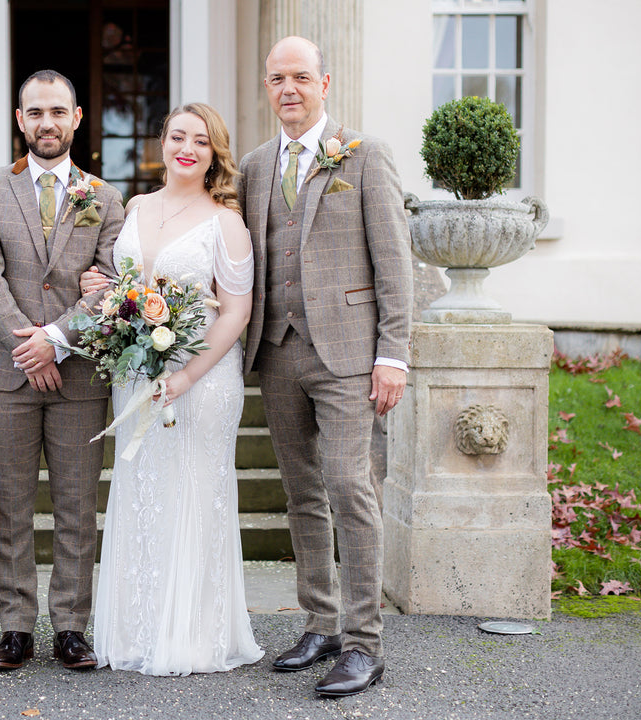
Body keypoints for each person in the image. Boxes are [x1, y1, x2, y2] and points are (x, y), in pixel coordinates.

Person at [238, 37, 413, 696]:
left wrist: (392, 354)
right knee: (302, 494)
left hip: (348, 354)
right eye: (277, 77)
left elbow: (393, 264)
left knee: (350, 486)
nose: (289, 88)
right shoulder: (256, 166)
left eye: (301, 77)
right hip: (277, 351)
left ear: (325, 83)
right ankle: (321, 622)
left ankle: (366, 643)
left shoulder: (364, 157)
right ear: (268, 85)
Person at [81, 102, 264, 676]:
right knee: (140, 490)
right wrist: (104, 288)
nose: (187, 147)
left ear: (215, 155)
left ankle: (190, 634)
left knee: (191, 492)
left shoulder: (224, 221)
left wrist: (186, 375)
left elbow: (236, 311)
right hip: (136, 373)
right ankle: (137, 629)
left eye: (201, 141)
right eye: (178, 136)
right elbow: (127, 286)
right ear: (162, 142)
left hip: (201, 378)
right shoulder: (135, 207)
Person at [0, 70, 124, 671]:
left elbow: (108, 282)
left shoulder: (106, 198)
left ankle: (71, 628)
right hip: (5, 374)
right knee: (9, 506)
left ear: (77, 118)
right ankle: (14, 628)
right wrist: (27, 345)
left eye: (58, 112)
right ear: (19, 118)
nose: (47, 123)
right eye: (36, 112)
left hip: (80, 374)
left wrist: (55, 341)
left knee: (77, 508)